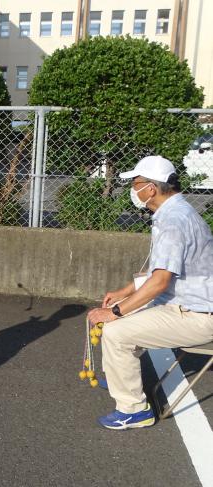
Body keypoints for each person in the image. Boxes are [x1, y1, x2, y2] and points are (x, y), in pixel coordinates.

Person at [87, 155, 213, 430]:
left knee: (116, 330)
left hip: (199, 315)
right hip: (187, 303)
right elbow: (161, 273)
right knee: (117, 319)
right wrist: (123, 292)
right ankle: (122, 378)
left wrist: (115, 310)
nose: (134, 190)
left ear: (151, 188)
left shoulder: (173, 221)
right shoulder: (175, 212)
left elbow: (159, 281)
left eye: (136, 184)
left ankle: (135, 411)